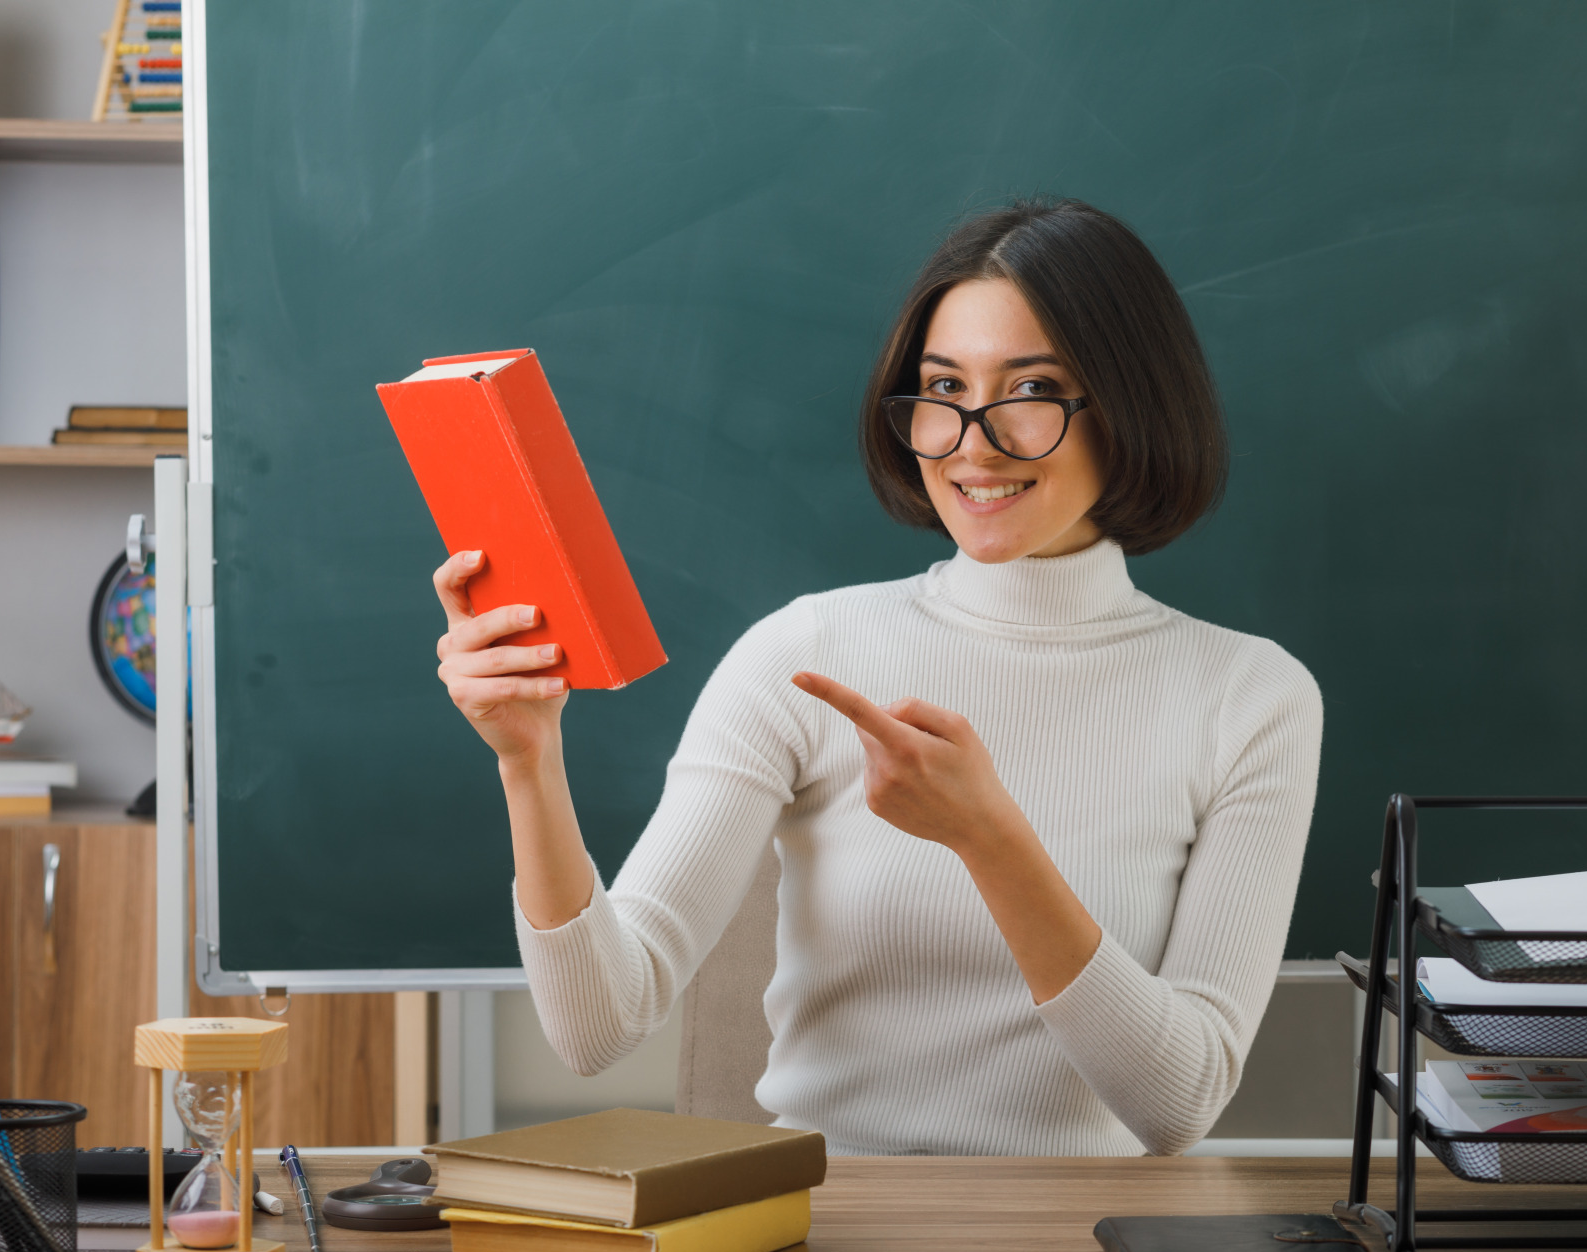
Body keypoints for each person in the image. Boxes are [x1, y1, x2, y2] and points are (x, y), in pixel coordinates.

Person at [431, 197, 1323, 1157]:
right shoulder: (806, 651)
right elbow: (598, 1024)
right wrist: (529, 763)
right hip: (825, 1235)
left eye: (1029, 390)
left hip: (1090, 1247)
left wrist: (990, 839)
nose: (972, 443)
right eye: (943, 389)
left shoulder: (1250, 696)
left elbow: (1179, 1101)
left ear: (1132, 406)